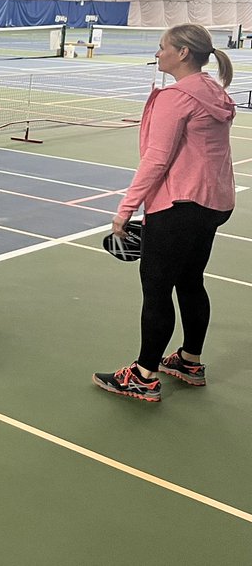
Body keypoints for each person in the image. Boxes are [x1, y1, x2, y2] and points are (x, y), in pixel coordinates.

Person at [93, 24, 235, 402]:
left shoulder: (176, 98)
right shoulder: (213, 91)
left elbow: (157, 160)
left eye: (162, 47)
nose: (158, 54)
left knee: (156, 291)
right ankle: (189, 361)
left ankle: (142, 376)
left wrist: (124, 210)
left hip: (178, 206)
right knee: (190, 281)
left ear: (183, 53)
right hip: (212, 204)